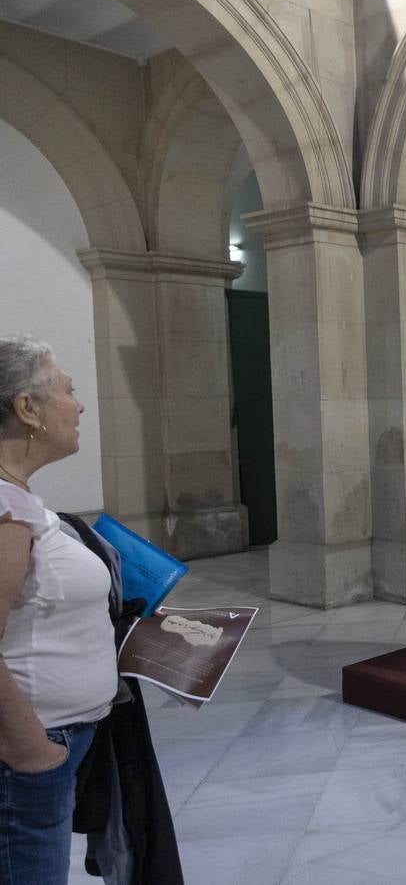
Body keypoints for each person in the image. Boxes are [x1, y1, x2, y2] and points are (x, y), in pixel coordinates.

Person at [0, 335, 119, 882]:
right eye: (68, 391)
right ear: (27, 409)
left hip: (57, 739)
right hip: (29, 753)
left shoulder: (17, 498)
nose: (79, 404)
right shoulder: (4, 511)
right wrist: (30, 751)